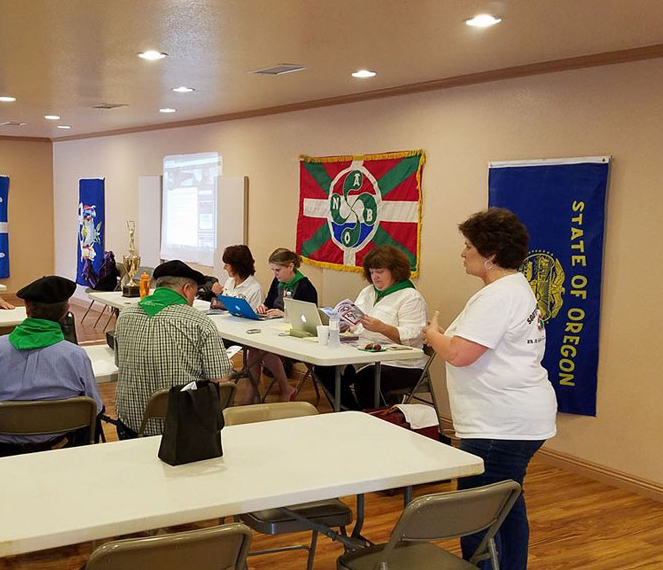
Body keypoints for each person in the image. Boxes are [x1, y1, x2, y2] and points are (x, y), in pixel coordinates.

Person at [423, 207, 557, 570]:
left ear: (491, 256)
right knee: (506, 502)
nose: (463, 253)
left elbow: (459, 353)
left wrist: (432, 334)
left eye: (469, 246)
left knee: (478, 508)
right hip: (513, 417)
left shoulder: (497, 297)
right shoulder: (514, 288)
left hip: (502, 423)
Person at [0, 275, 104, 457]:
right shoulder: (76, 356)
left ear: (27, 308)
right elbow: (94, 407)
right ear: (66, 312)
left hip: (2, 452)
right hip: (61, 450)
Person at [114, 260, 232, 439]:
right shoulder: (199, 322)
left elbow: (119, 362)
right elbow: (220, 379)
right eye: (195, 292)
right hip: (181, 428)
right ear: (186, 289)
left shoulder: (125, 315)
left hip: (131, 424)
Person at [315, 245, 428, 410]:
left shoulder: (410, 297)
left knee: (367, 378)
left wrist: (382, 328)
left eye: (380, 272)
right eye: (372, 272)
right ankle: (351, 413)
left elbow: (412, 338)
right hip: (363, 355)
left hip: (402, 362)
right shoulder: (368, 292)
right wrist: (346, 325)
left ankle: (376, 421)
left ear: (395, 271)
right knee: (324, 369)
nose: (375, 277)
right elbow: (358, 324)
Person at [238, 248, 318, 405]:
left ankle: (285, 387)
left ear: (291, 266)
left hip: (297, 335)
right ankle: (253, 389)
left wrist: (285, 315)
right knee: (254, 347)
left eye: (278, 270)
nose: (275, 274)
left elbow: (309, 319)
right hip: (275, 329)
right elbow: (269, 302)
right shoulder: (278, 282)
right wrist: (263, 307)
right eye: (273, 270)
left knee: (263, 348)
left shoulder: (305, 287)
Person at [211, 244, 263, 309]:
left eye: (227, 265)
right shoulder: (230, 280)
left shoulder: (255, 289)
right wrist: (219, 294)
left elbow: (256, 315)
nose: (224, 268)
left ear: (237, 267)